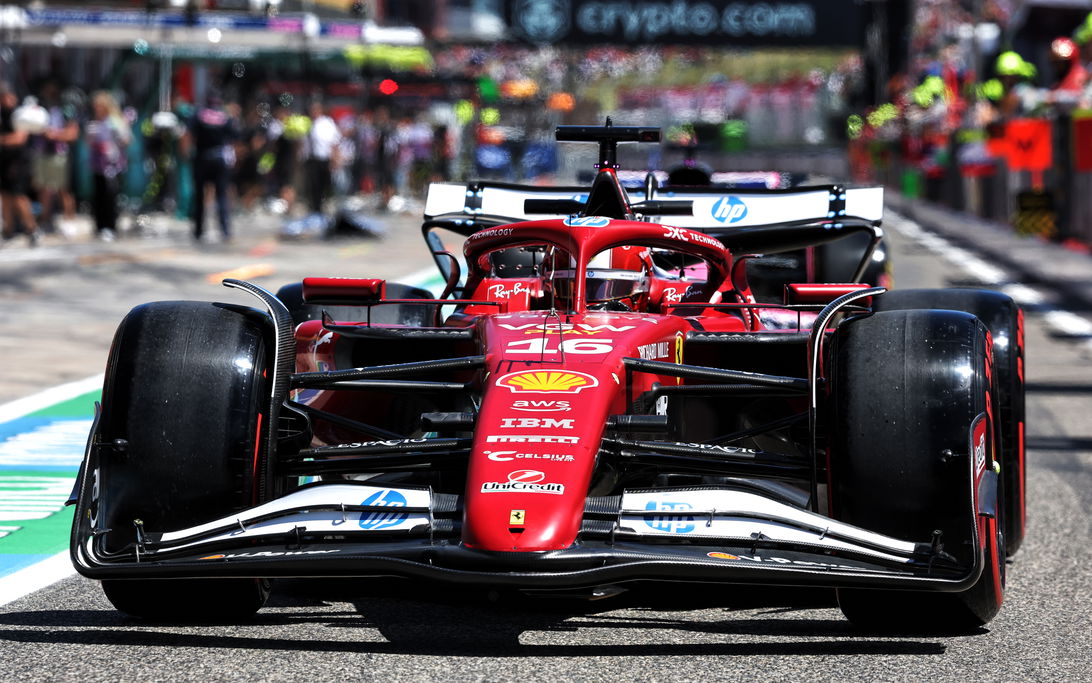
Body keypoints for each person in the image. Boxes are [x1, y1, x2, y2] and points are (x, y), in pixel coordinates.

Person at [184, 92, 238, 242]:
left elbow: (188, 133)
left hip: (202, 157)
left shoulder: (199, 114)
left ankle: (198, 231)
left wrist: (187, 152)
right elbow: (234, 136)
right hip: (219, 158)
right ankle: (225, 230)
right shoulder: (224, 116)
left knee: (199, 196)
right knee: (221, 195)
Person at [30, 81, 79, 232]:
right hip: (42, 154)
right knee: (43, 189)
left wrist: (54, 134)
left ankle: (69, 220)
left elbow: (73, 133)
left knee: (63, 189)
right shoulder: (39, 110)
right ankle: (45, 220)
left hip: (59, 155)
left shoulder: (66, 110)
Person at [86, 91, 131, 241]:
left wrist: (114, 141)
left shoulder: (115, 121)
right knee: (98, 195)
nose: (97, 109)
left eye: (99, 106)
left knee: (110, 196)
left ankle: (110, 226)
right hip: (97, 164)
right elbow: (88, 142)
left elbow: (127, 139)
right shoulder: (95, 122)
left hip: (113, 165)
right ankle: (99, 226)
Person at [0, 84, 40, 245]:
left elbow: (19, 138)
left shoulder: (20, 114)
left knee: (19, 196)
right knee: (5, 196)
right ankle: (8, 230)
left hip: (19, 162)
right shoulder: (2, 114)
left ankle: (32, 229)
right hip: (4, 160)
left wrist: (2, 140)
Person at [302, 99, 340, 213]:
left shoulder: (327, 123)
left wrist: (335, 158)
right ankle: (315, 207)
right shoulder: (307, 123)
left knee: (325, 184)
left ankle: (324, 205)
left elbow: (334, 142)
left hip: (324, 159)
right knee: (313, 184)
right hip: (310, 159)